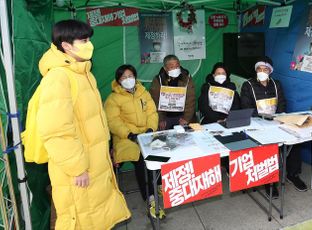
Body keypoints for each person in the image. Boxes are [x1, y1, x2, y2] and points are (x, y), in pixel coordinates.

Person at [37, 19, 130, 229]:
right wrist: (77, 168)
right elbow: (56, 130)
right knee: (82, 219)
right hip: (79, 170)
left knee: (97, 217)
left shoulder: (83, 73)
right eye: (84, 40)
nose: (90, 44)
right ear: (67, 45)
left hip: (94, 162)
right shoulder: (58, 78)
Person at [241, 56, 307, 198]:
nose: (262, 71)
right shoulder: (248, 85)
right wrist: (263, 117)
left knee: (294, 141)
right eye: (259, 68)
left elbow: (282, 102)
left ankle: (293, 175)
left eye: (265, 69)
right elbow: (246, 106)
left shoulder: (276, 84)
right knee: (269, 147)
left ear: (270, 71)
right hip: (257, 123)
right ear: (256, 70)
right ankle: (270, 182)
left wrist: (278, 117)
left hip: (277, 121)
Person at [104, 64, 165, 219]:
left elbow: (152, 112)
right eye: (124, 77)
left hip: (147, 133)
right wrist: (130, 134)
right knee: (141, 158)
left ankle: (159, 184)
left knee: (161, 150)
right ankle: (151, 199)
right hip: (125, 138)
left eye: (130, 76)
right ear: (118, 80)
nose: (128, 79)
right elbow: (113, 121)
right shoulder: (113, 99)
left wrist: (151, 129)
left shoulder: (143, 93)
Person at [150, 54, 196, 130]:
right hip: (166, 117)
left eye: (177, 66)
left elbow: (190, 99)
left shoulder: (186, 77)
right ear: (165, 68)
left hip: (183, 116)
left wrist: (186, 118)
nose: (175, 69)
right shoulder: (158, 80)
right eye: (171, 67)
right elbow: (155, 100)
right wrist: (160, 119)